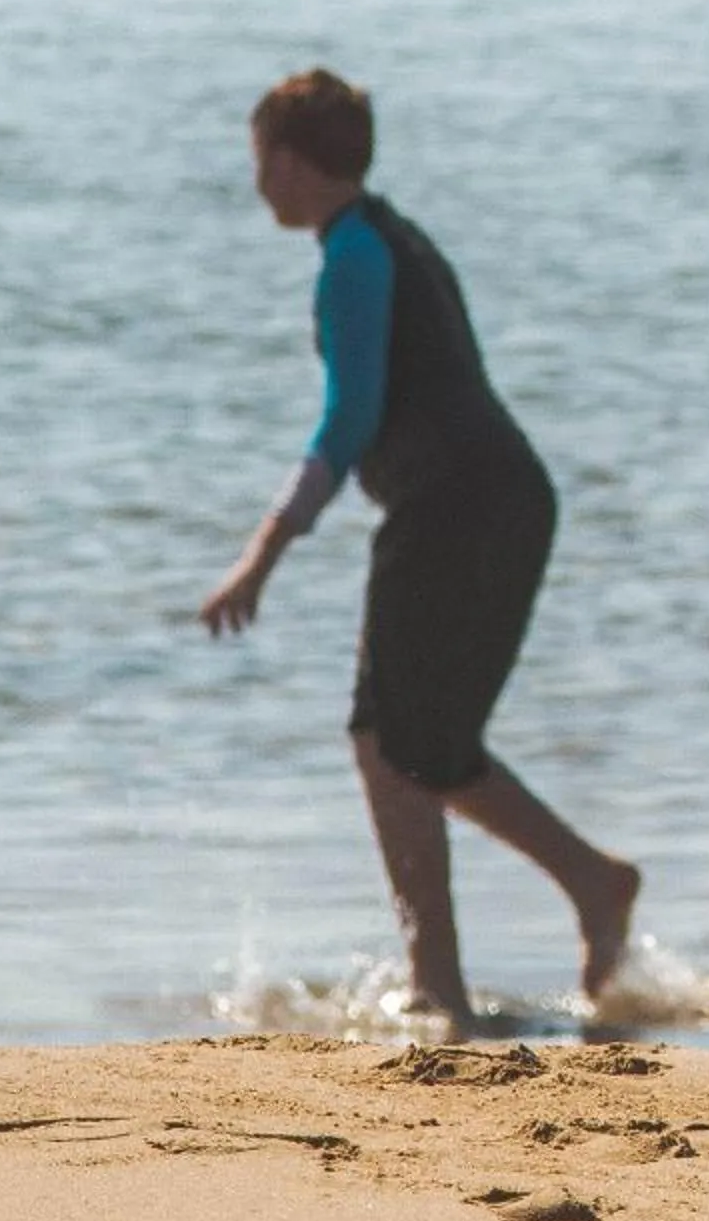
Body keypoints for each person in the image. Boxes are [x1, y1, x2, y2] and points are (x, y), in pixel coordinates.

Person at [199, 69, 639, 1037]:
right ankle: (580, 890)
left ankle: (445, 979)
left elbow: (348, 420)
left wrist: (263, 553)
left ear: (289, 157)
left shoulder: (356, 255)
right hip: (489, 504)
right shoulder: (382, 236)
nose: (254, 180)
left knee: (395, 742)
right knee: (411, 743)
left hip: (458, 511)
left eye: (258, 157)